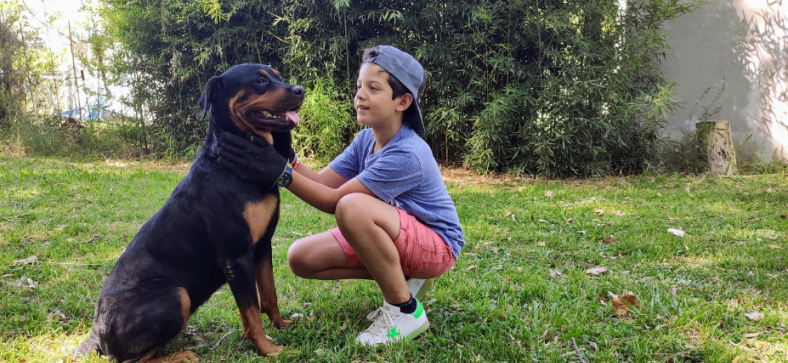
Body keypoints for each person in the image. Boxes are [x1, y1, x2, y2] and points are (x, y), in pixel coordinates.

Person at [216, 45, 465, 346]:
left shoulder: (408, 152)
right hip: (397, 234)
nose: (360, 94)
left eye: (373, 88)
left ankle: (405, 310)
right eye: (360, 85)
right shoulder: (366, 138)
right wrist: (285, 157)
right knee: (301, 258)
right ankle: (404, 280)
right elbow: (323, 182)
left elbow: (335, 202)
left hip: (437, 245)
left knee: (352, 207)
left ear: (403, 101)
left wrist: (277, 173)